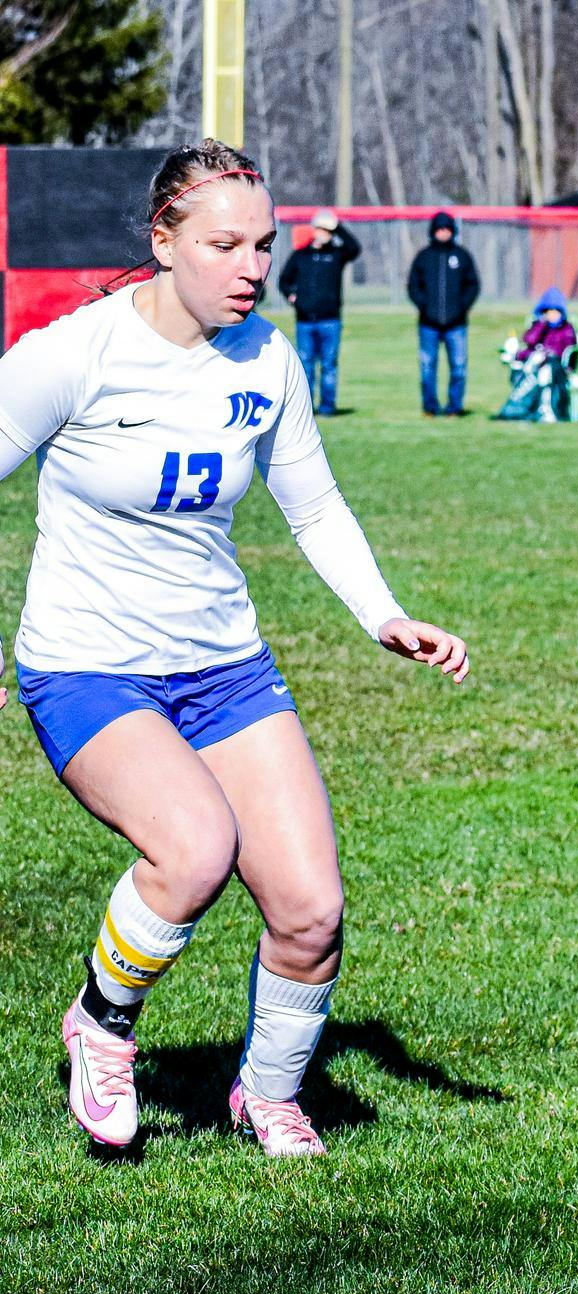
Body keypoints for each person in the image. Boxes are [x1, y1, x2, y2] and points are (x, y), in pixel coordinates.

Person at [0, 140, 469, 1157]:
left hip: (224, 669)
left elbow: (315, 506)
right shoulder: (70, 356)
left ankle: (266, 1094)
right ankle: (103, 1024)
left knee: (311, 909)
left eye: (262, 243)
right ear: (163, 241)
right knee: (195, 850)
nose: (252, 267)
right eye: (224, 244)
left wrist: (383, 613)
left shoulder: (268, 359)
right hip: (88, 666)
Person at [276, 208, 360, 415]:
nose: (324, 234)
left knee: (329, 365)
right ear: (314, 230)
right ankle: (306, 407)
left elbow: (354, 248)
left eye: (328, 230)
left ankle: (327, 406)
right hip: (305, 321)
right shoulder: (301, 255)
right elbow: (284, 280)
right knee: (306, 366)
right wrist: (292, 296)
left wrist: (337, 225)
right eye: (321, 229)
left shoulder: (336, 254)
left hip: (330, 320)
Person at [406, 210, 480, 416]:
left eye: (447, 229)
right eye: (440, 229)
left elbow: (473, 285)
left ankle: (454, 407)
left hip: (456, 324)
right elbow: (413, 286)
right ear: (433, 231)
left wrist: (461, 307)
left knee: (458, 367)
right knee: (428, 367)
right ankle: (430, 407)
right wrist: (424, 306)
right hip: (428, 324)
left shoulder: (461, 256)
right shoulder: (424, 257)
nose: (443, 233)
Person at [515, 287, 578, 367]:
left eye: (556, 312)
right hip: (536, 361)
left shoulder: (566, 329)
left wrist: (548, 353)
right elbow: (529, 340)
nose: (553, 315)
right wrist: (541, 325)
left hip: (556, 364)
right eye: (549, 312)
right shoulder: (539, 325)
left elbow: (568, 349)